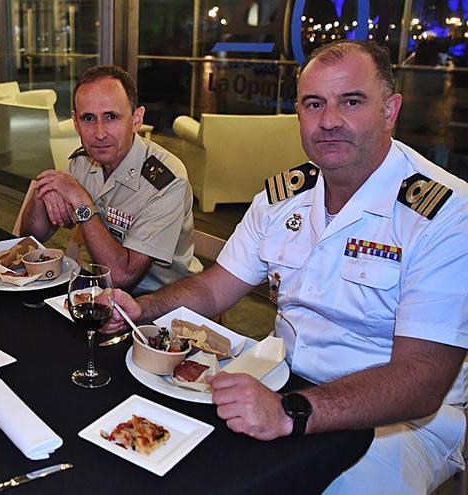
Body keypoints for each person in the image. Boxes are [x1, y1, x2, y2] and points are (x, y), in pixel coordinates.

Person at [102, 40, 468, 494]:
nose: (329, 120)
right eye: (314, 104)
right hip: (279, 384)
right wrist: (144, 308)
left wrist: (291, 412)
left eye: (351, 101)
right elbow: (217, 288)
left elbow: (423, 381)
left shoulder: (446, 214)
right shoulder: (283, 198)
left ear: (390, 110)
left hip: (401, 424)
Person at [19, 65, 201, 294]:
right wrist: (45, 187)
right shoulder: (82, 162)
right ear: (76, 123)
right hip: (97, 291)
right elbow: (33, 237)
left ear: (136, 119)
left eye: (111, 117)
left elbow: (121, 277)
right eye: (88, 118)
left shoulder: (166, 180)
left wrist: (82, 202)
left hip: (162, 305)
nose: (100, 133)